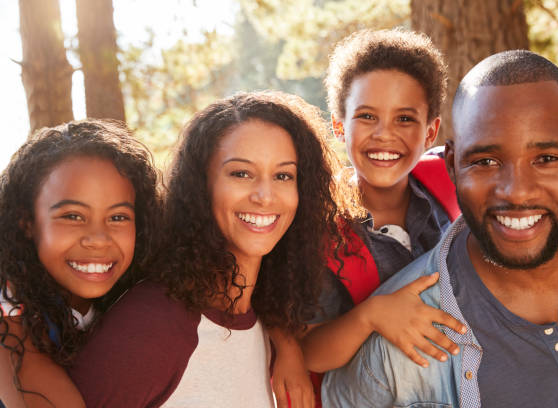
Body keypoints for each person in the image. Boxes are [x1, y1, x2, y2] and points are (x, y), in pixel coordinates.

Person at [323, 49, 558, 407]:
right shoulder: (392, 360)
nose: (517, 191)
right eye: (486, 161)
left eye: (547, 159)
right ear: (452, 164)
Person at [68, 91, 359, 408]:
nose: (265, 195)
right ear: (201, 185)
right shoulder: (152, 323)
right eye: (241, 173)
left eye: (283, 175)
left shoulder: (267, 320)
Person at [299, 29, 466, 384]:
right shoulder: (319, 230)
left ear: (430, 131)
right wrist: (371, 315)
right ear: (339, 126)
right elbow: (309, 350)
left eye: (404, 119)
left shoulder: (450, 189)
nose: (384, 134)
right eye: (367, 116)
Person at [0, 119, 161, 407]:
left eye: (118, 217)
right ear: (27, 222)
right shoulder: (8, 305)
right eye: (73, 216)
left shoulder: (137, 297)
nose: (98, 239)